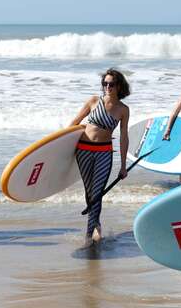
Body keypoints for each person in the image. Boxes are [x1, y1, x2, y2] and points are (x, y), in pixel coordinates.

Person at [70, 68, 130, 245]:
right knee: (90, 192)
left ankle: (89, 236)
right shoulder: (93, 101)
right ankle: (96, 223)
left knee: (97, 193)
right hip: (84, 150)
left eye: (111, 84)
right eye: (105, 83)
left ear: (119, 86)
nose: (107, 87)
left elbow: (124, 136)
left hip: (104, 152)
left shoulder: (123, 110)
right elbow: (74, 123)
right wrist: (59, 148)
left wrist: (124, 165)